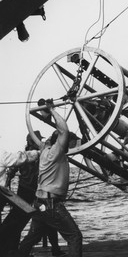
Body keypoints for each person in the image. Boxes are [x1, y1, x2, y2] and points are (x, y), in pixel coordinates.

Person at [17, 105, 82, 257]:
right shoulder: (56, 152)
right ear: (61, 142)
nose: (71, 146)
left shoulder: (45, 150)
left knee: (31, 238)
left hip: (39, 203)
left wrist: (46, 116)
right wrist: (51, 109)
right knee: (74, 236)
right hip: (51, 205)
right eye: (69, 143)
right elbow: (63, 131)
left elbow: (45, 140)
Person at [0, 132, 63, 257]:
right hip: (30, 192)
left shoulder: (27, 155)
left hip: (29, 192)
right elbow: (15, 163)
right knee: (28, 221)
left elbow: (12, 169)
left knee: (22, 222)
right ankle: (12, 249)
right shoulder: (32, 156)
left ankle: (14, 249)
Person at [0, 138, 39, 215]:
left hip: (28, 187)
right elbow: (18, 159)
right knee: (23, 211)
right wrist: (38, 153)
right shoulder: (2, 155)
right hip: (27, 187)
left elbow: (12, 170)